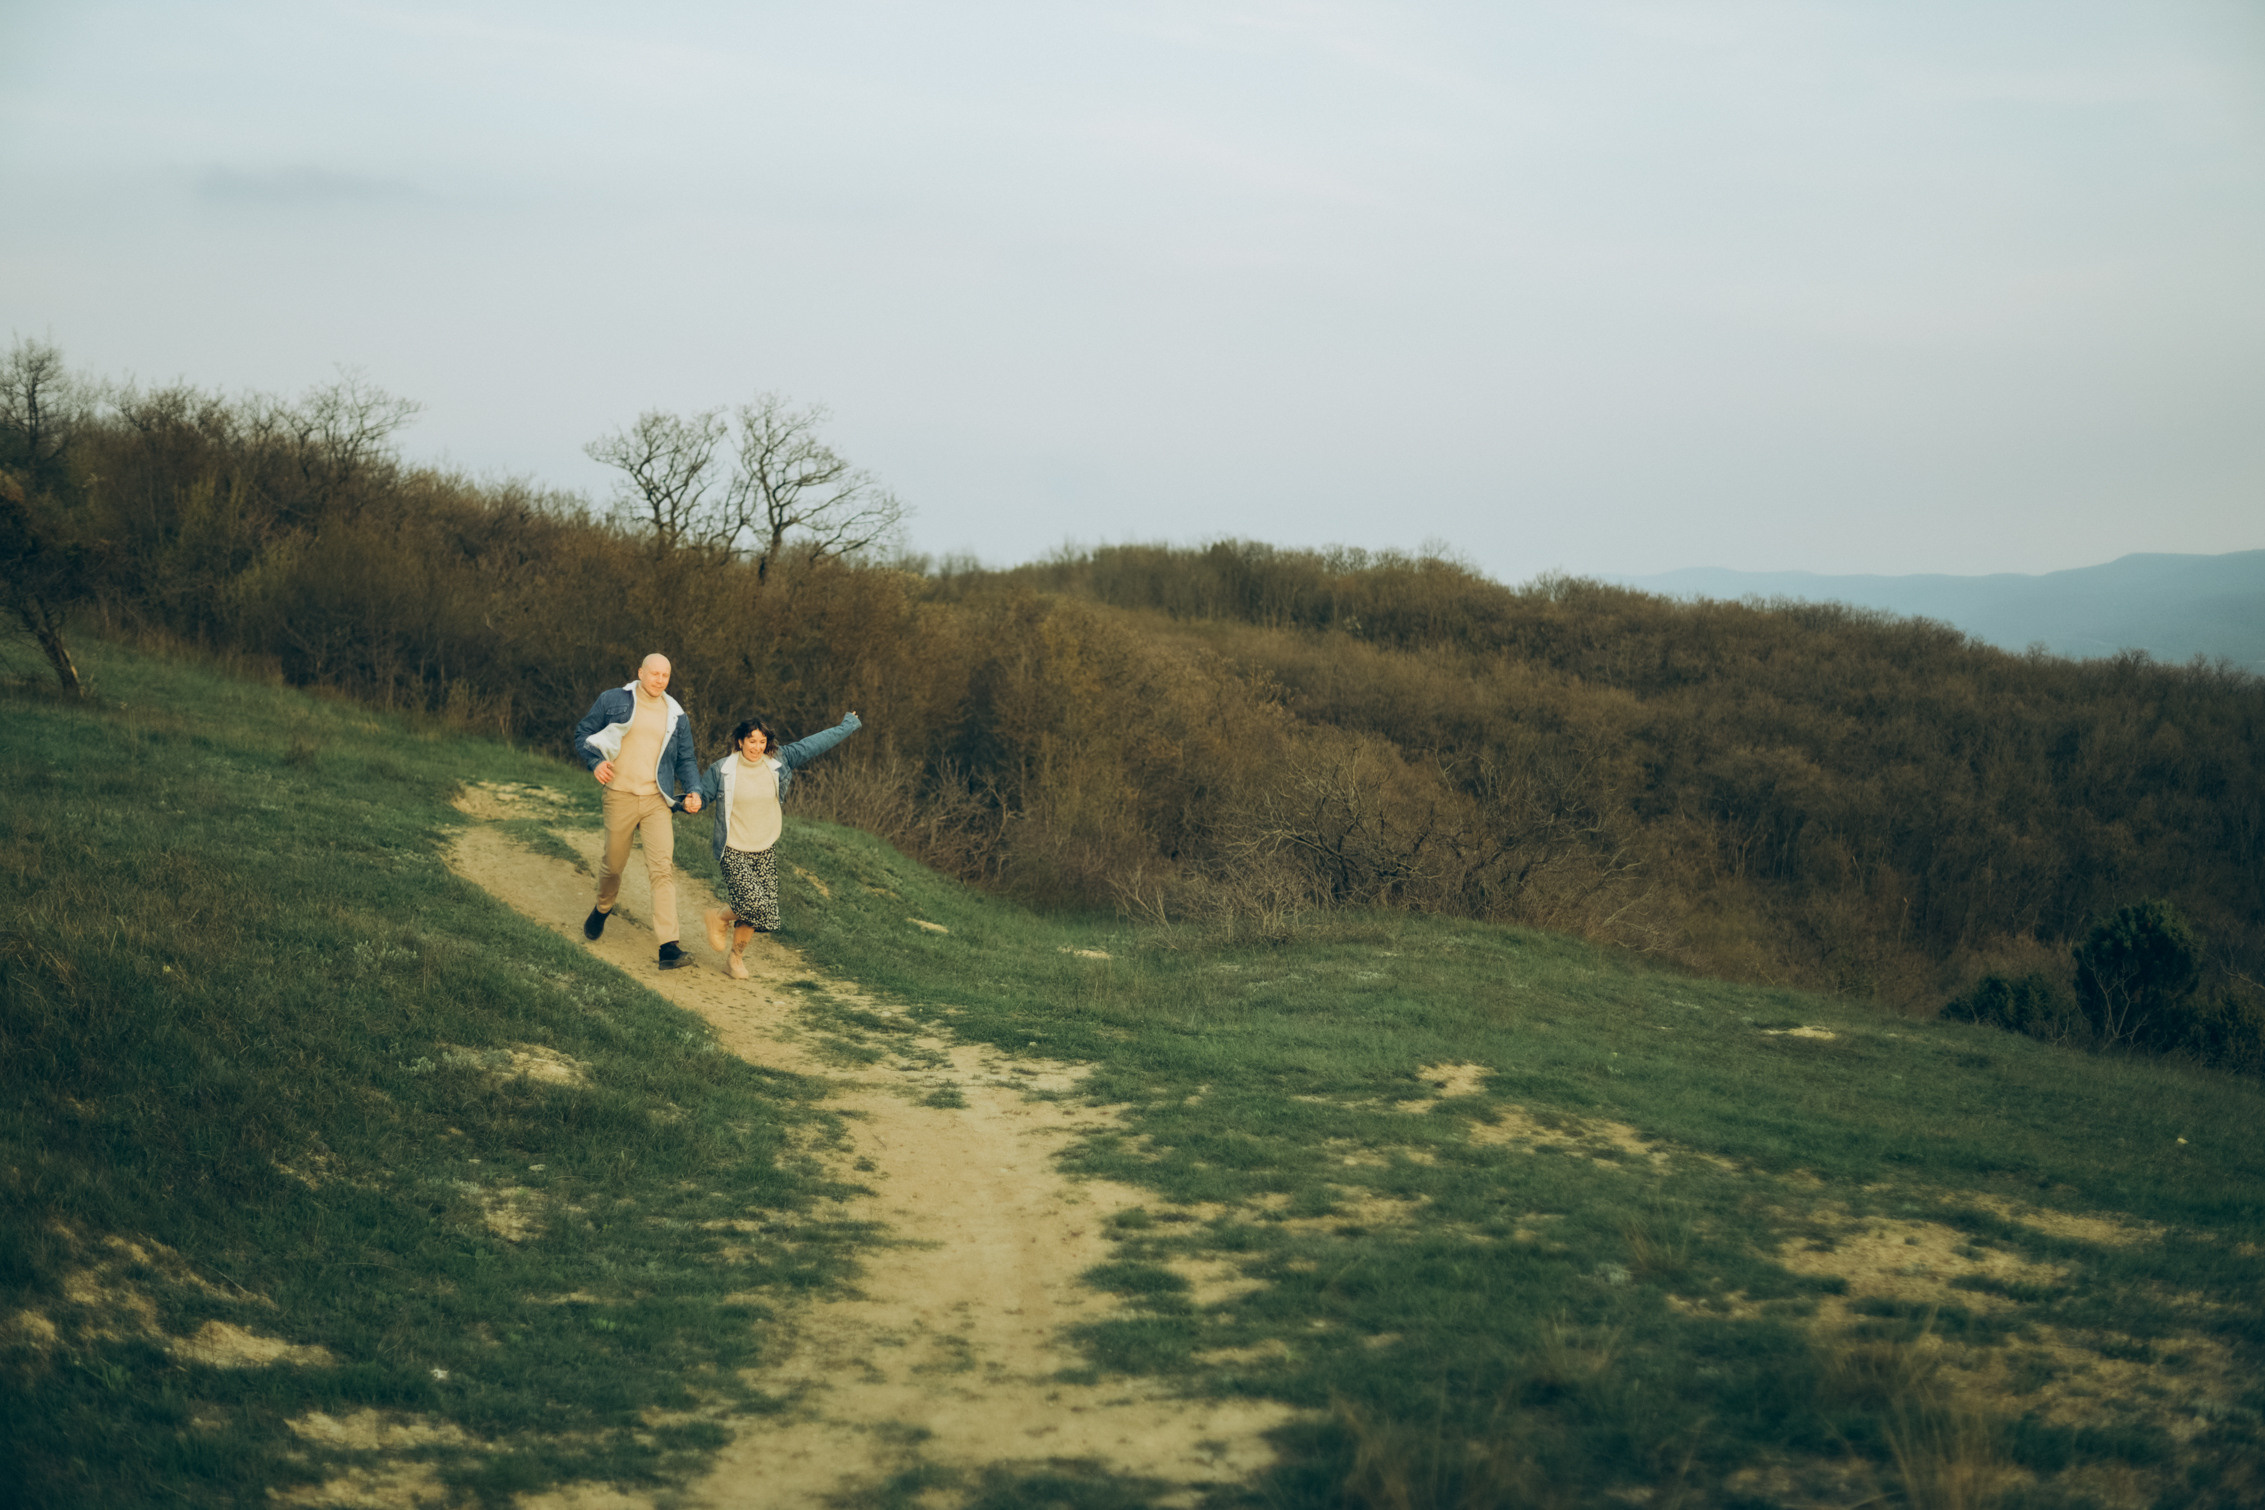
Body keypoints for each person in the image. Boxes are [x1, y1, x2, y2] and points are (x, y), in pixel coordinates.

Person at [698, 710, 862, 978]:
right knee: (755, 903)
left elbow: (815, 743)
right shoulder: (722, 769)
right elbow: (701, 796)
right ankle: (719, 916)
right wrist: (687, 802)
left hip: (764, 848)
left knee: (764, 914)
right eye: (752, 741)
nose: (757, 747)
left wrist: (848, 725)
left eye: (762, 742)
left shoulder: (779, 761)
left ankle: (735, 959)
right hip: (733, 847)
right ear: (740, 741)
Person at [571, 654, 704, 970]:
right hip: (620, 796)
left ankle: (668, 948)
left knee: (662, 870)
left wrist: (695, 789)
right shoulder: (613, 700)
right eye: (654, 673)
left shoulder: (675, 715)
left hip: (658, 801)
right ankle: (603, 907)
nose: (660, 680)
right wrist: (596, 763)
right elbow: (583, 733)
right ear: (641, 673)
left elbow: (686, 759)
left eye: (666, 675)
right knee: (614, 865)